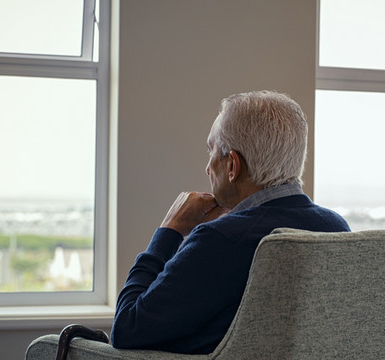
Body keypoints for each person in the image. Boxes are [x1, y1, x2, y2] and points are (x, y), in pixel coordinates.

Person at [111, 90, 351, 354]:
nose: (207, 167)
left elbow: (126, 330)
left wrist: (169, 231)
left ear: (232, 166)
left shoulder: (221, 239)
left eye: (211, 151)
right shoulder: (336, 228)